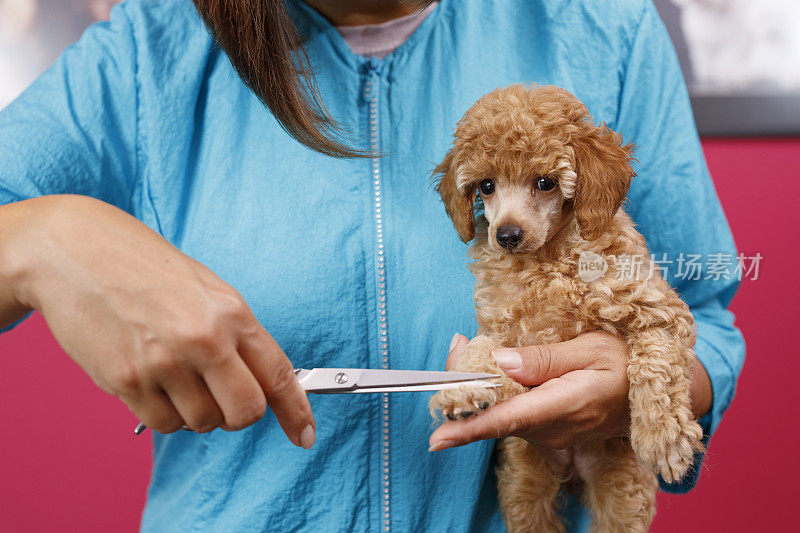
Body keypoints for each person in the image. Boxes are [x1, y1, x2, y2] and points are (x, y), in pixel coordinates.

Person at [0, 0, 744, 531]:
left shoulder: (602, 27)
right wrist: (42, 236)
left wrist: (642, 387)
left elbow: (703, 315)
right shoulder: (150, 49)